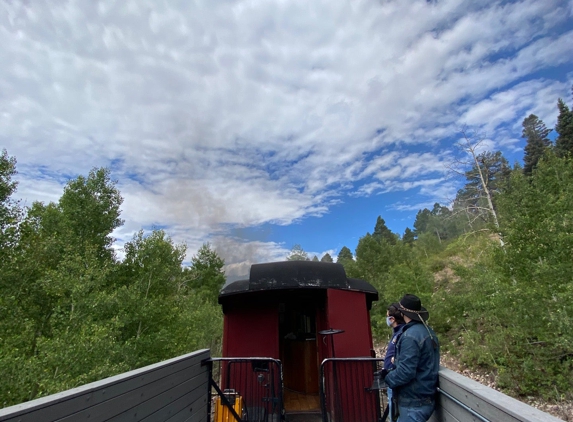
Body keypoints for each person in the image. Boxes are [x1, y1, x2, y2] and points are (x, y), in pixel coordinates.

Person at [379, 294, 440, 422]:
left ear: (402, 313)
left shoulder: (410, 336)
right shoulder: (428, 331)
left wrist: (387, 377)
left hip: (413, 403)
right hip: (425, 397)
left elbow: (406, 372)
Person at [383, 303, 406, 421]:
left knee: (396, 415)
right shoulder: (396, 333)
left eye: (387, 316)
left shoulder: (402, 333)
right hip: (391, 379)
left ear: (392, 319)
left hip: (396, 381)